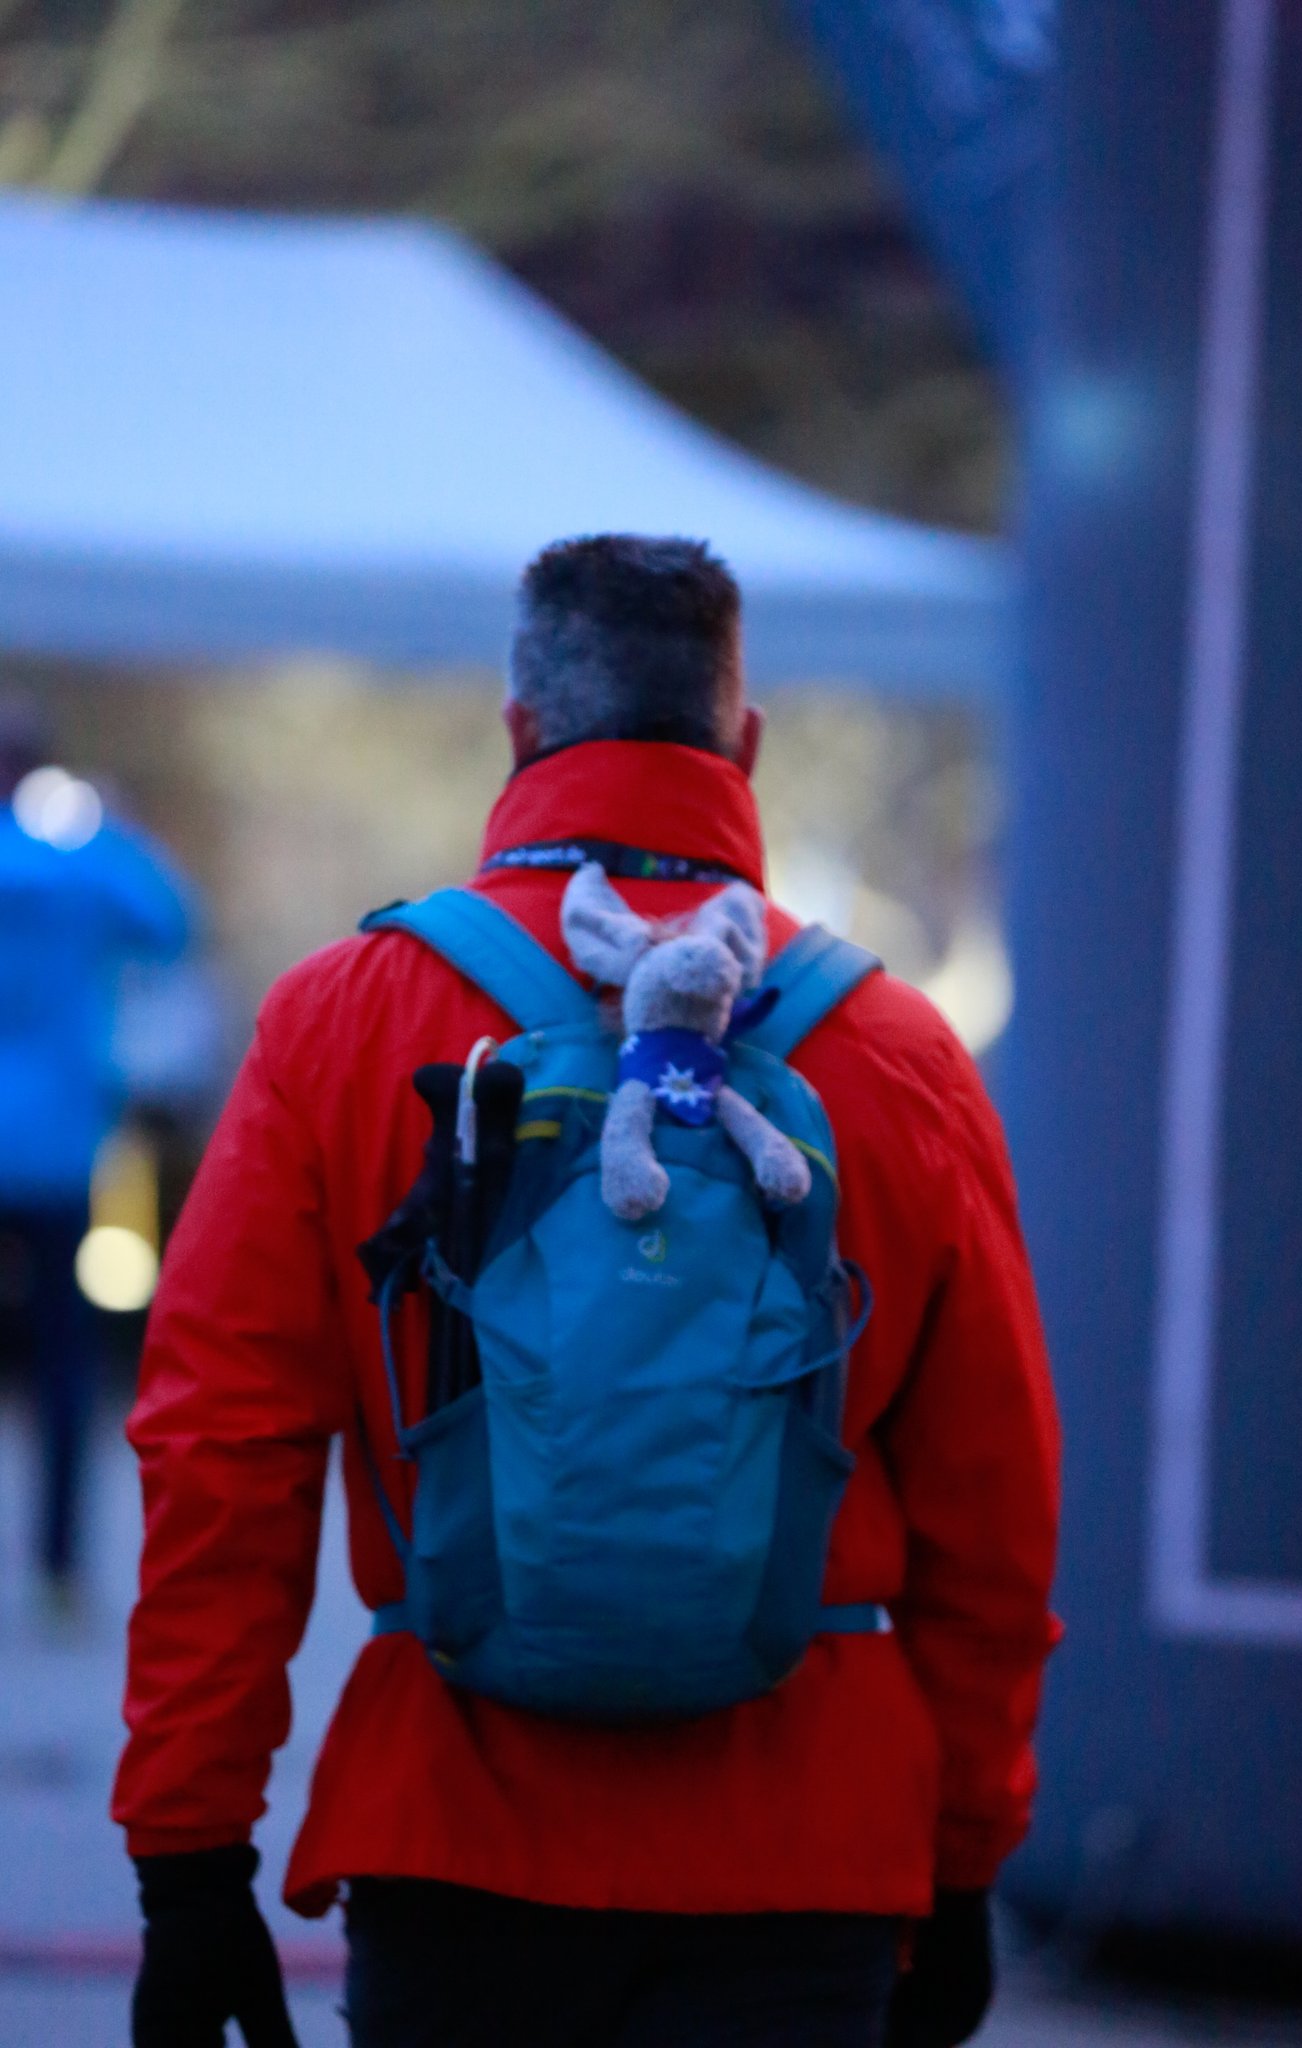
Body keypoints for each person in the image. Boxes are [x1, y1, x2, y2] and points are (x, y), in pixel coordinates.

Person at [115, 537, 1061, 2048]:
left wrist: (190, 1849)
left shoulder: (342, 1019)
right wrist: (964, 1858)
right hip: (806, 1845)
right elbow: (995, 1512)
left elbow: (220, 1452)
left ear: (519, 732)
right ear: (746, 743)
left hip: (454, 1828)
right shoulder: (900, 1055)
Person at [0, 693, 195, 1610]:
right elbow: (171, 924)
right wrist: (109, 826)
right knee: (64, 1363)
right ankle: (59, 1568)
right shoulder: (84, 867)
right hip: (59, 1148)